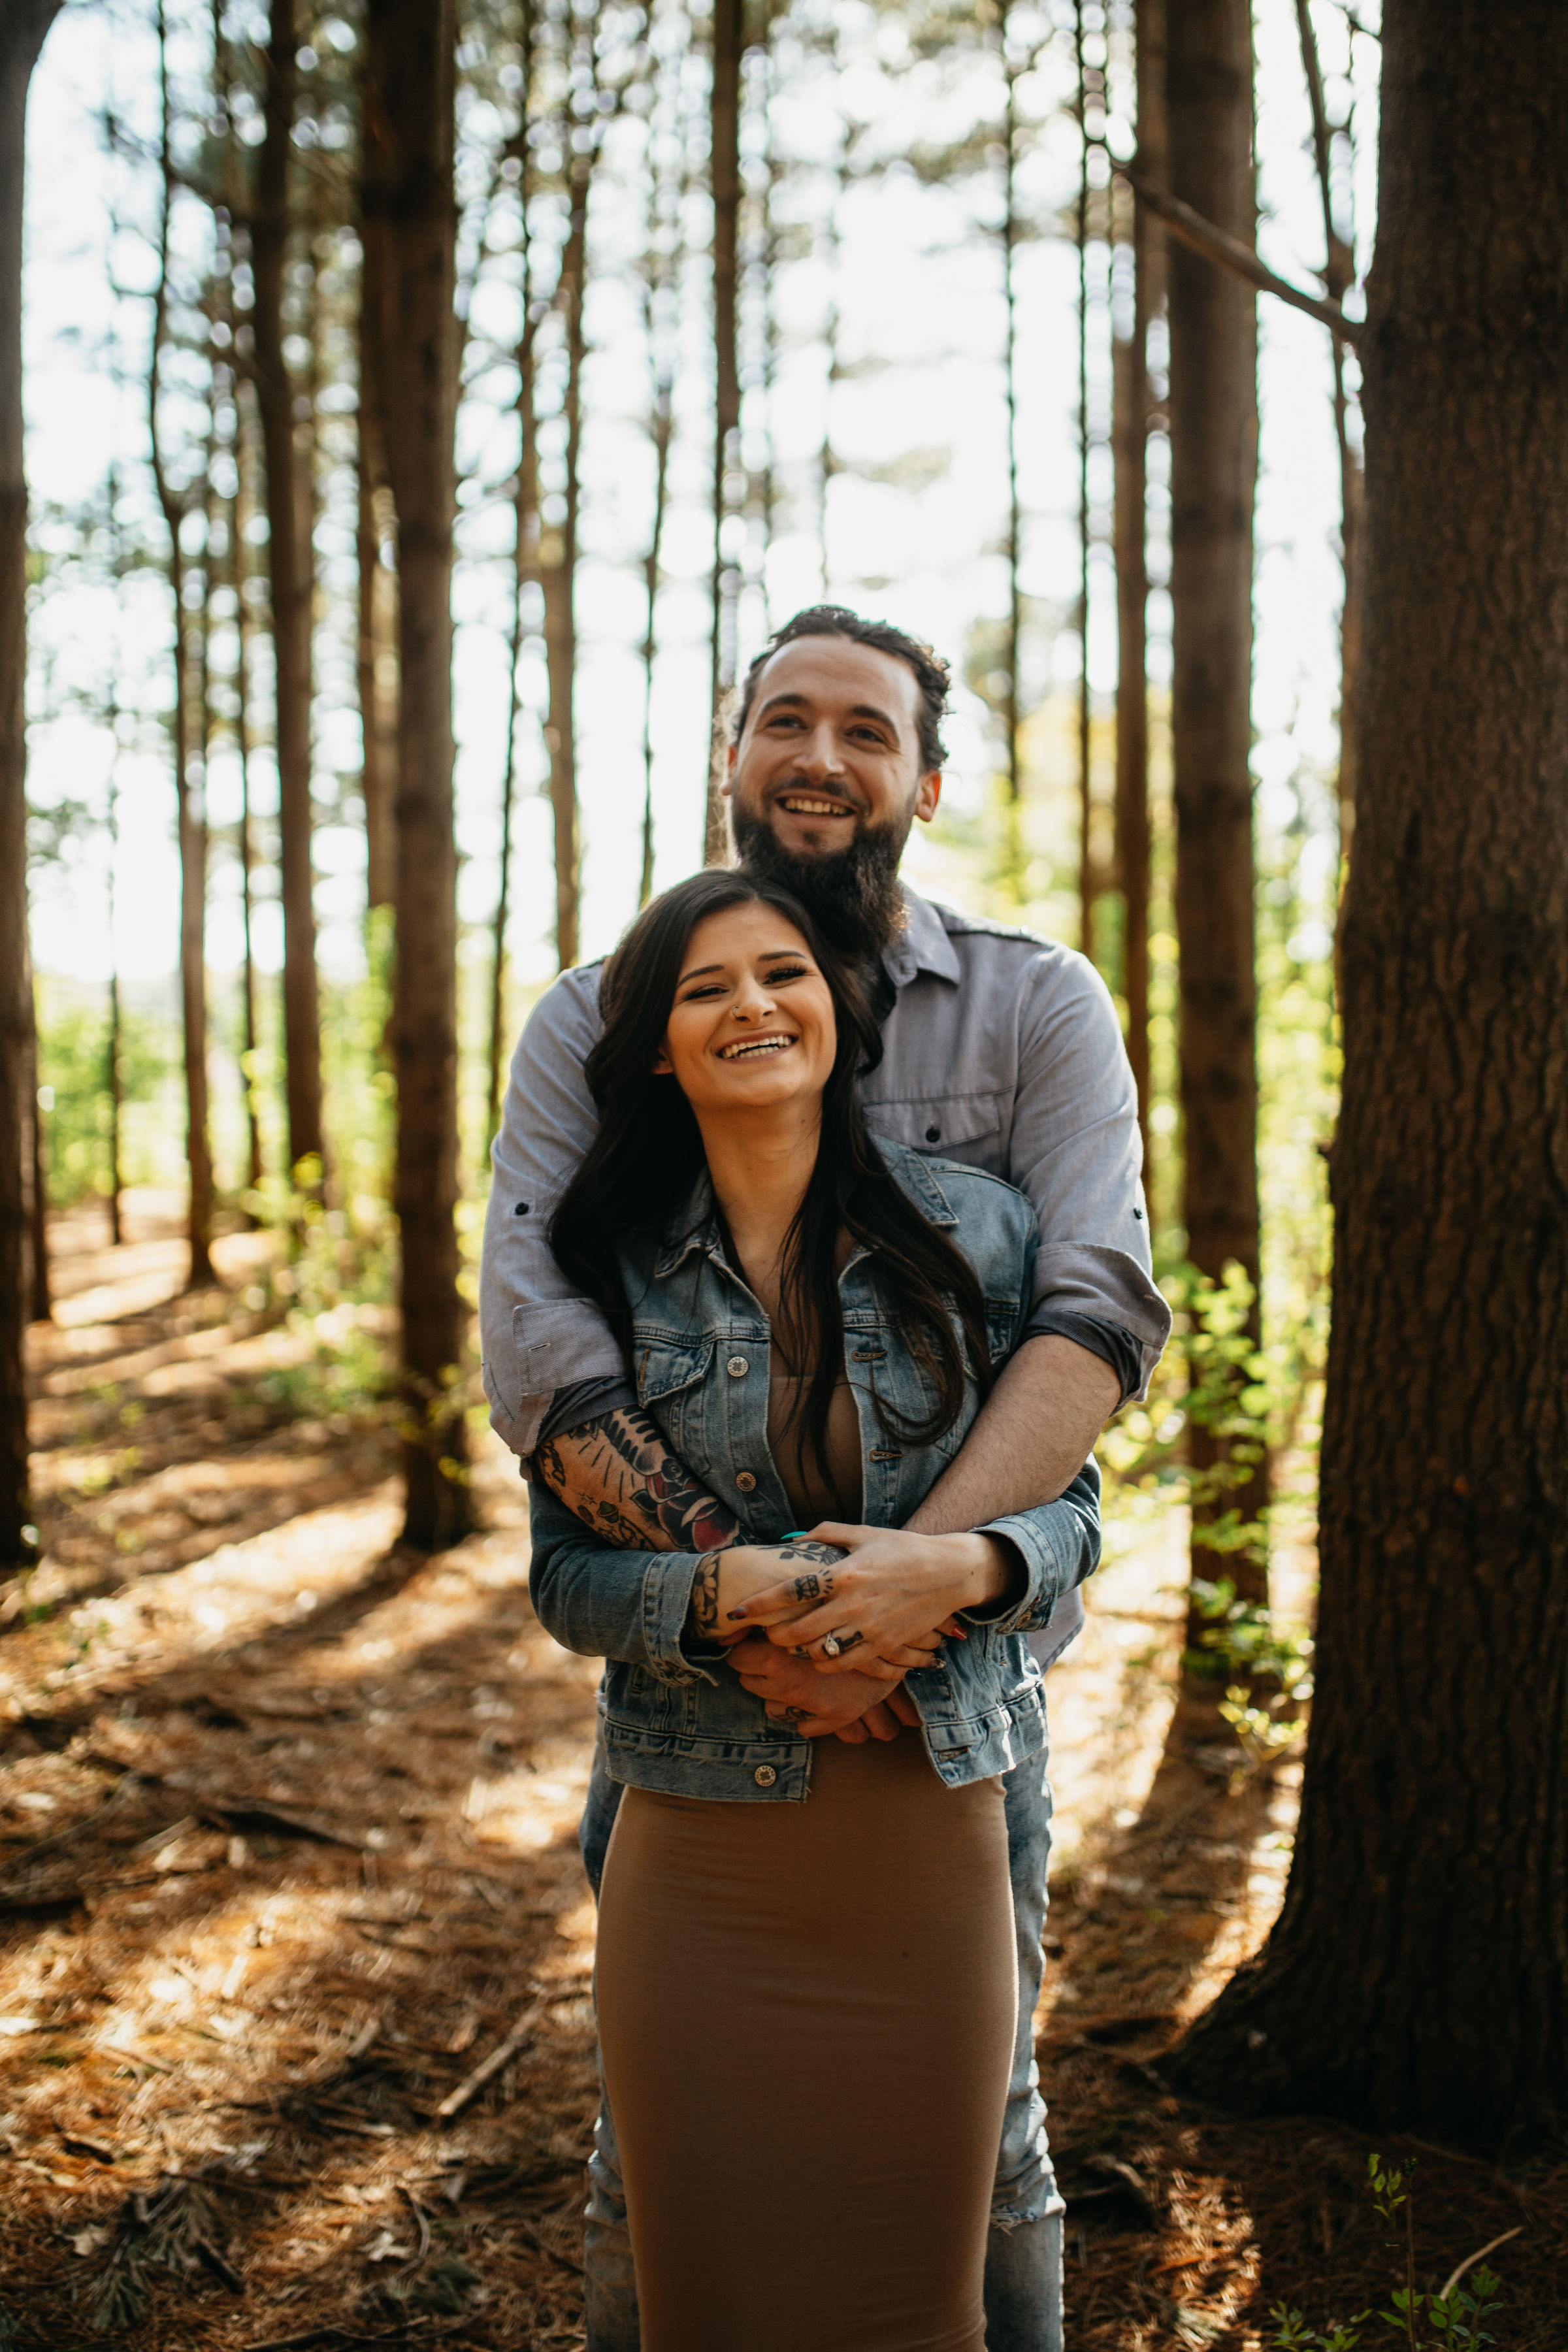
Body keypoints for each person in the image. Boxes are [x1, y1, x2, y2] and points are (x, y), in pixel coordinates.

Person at [480, 606, 1171, 2351]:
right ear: (732, 760)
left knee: (990, 2145)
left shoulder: (1033, 1008)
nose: (818, 754)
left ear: (926, 782)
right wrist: (758, 1605)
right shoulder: (593, 1016)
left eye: (866, 729)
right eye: (782, 719)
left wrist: (900, 1605)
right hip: (695, 1709)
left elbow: (1091, 1317)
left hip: (957, 1707)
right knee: (652, 2157)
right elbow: (541, 1346)